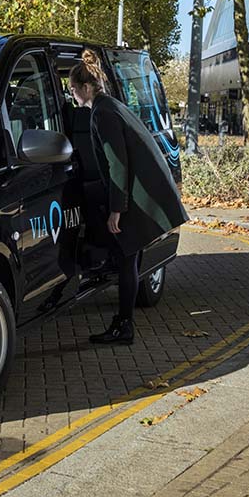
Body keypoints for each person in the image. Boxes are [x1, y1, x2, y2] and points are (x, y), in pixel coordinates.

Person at [69, 49, 189, 344]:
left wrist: (116, 210)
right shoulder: (110, 105)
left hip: (135, 197)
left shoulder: (102, 114)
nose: (71, 96)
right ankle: (123, 322)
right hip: (139, 192)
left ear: (86, 88)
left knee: (126, 262)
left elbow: (117, 164)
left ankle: (124, 326)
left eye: (73, 90)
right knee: (128, 261)